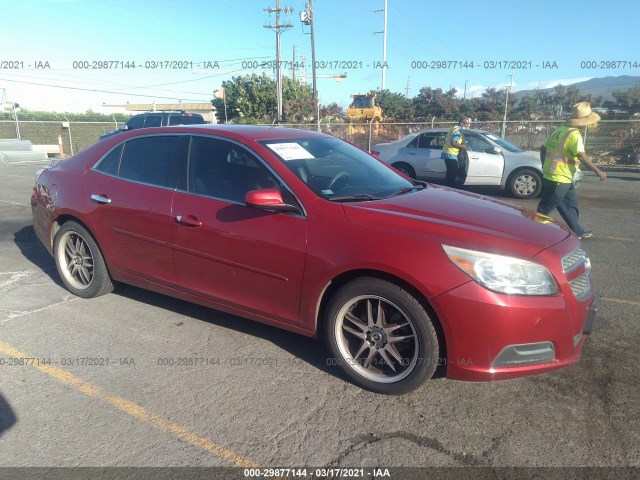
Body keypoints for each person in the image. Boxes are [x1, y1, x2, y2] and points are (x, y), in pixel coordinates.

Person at [537, 102, 606, 239]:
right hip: (559, 178)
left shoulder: (560, 130)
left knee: (569, 205)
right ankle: (531, 232)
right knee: (544, 209)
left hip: (562, 177)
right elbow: (581, 155)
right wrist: (598, 171)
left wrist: (545, 165)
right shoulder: (574, 135)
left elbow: (543, 148)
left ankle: (578, 232)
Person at [441, 117, 470, 187]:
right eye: (466, 124)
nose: (467, 125)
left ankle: (447, 187)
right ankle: (450, 187)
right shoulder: (458, 130)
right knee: (453, 172)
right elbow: (454, 142)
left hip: (447, 152)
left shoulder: (453, 128)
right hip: (451, 153)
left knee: (450, 172)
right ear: (461, 123)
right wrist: (463, 146)